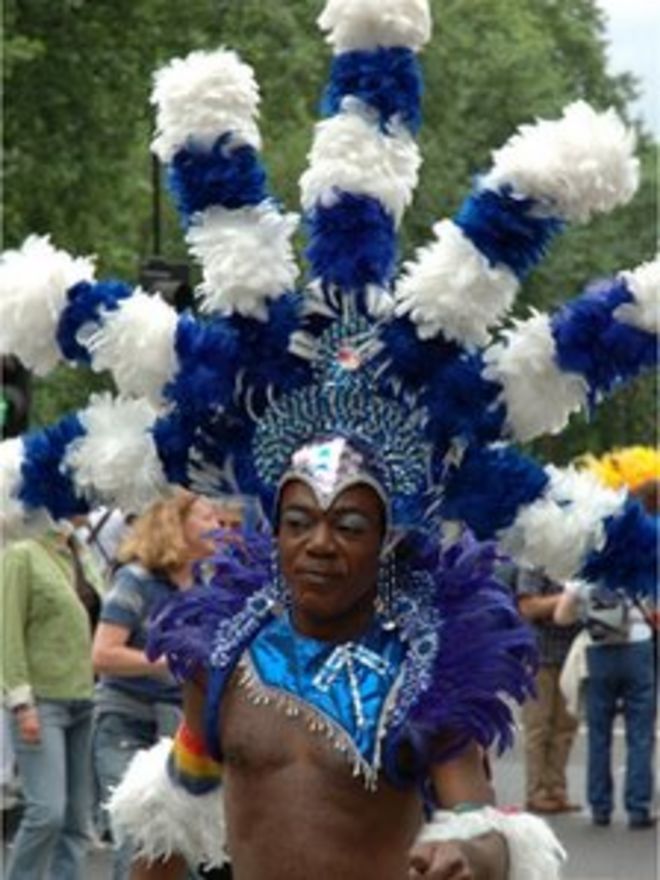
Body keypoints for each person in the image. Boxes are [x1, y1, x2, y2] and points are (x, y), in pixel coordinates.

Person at [92, 488, 222, 879]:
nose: (218, 525)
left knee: (188, 842)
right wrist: (168, 659)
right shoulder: (136, 580)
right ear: (174, 523)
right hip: (127, 723)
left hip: (182, 728)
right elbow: (102, 654)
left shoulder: (204, 588)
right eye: (207, 517)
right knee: (142, 840)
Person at [554, 454, 658, 830]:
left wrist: (586, 612)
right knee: (640, 734)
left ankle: (600, 807)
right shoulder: (649, 558)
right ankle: (638, 808)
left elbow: (561, 614)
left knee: (598, 734)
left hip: (599, 651)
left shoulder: (590, 561)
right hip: (638, 648)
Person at [1, 522, 103, 880]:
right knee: (47, 812)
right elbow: (6, 632)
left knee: (77, 820)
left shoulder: (83, 553)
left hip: (86, 698)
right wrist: (20, 702)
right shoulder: (21, 553)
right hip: (42, 701)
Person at [516, 567, 582, 814]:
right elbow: (528, 607)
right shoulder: (535, 563)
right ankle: (536, 792)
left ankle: (557, 788)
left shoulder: (580, 562)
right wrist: (568, 597)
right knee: (538, 726)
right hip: (538, 655)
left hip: (572, 655)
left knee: (565, 728)